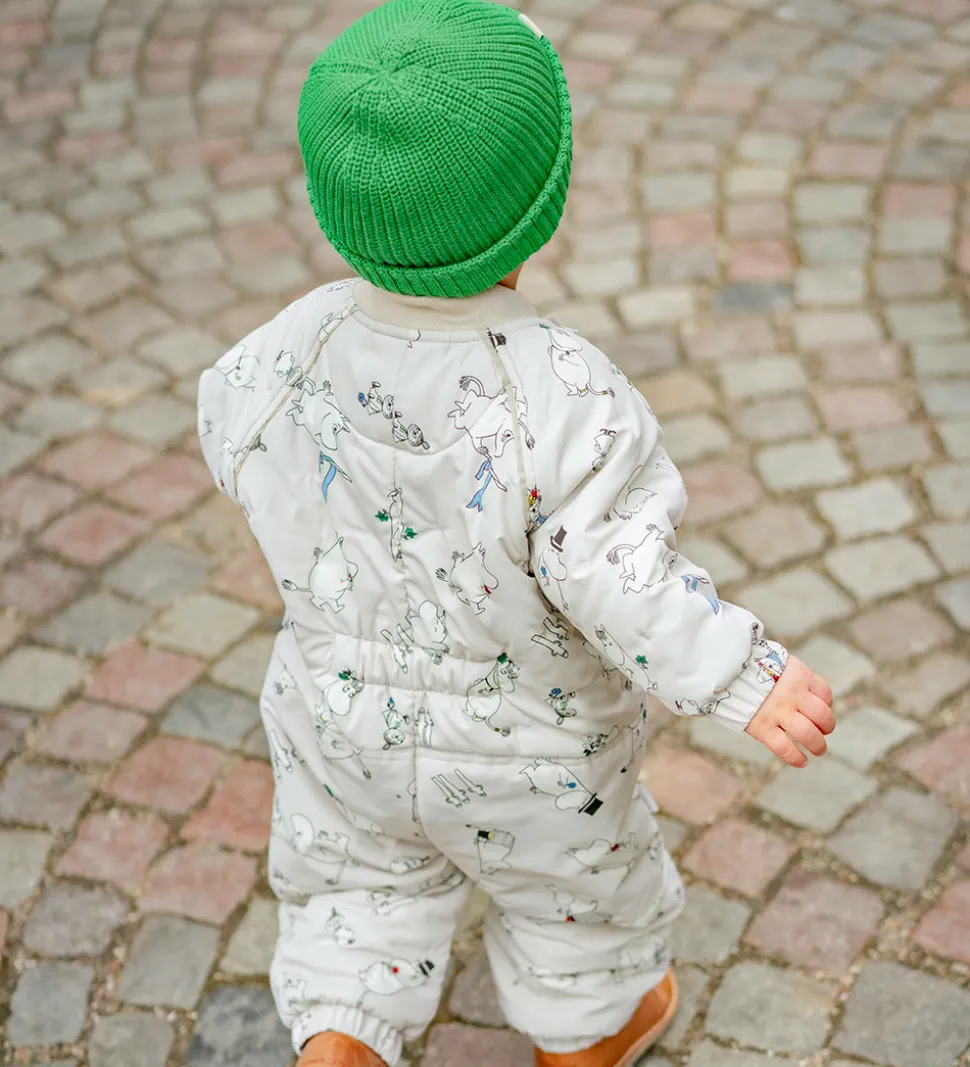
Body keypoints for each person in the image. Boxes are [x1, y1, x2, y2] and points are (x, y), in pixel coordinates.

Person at [197, 2, 835, 1065]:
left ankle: (340, 1043)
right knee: (580, 910)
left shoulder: (286, 348)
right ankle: (587, 1040)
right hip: (535, 756)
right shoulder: (565, 392)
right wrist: (741, 673)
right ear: (540, 214)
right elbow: (621, 574)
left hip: (340, 725)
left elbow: (226, 431)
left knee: (354, 897)